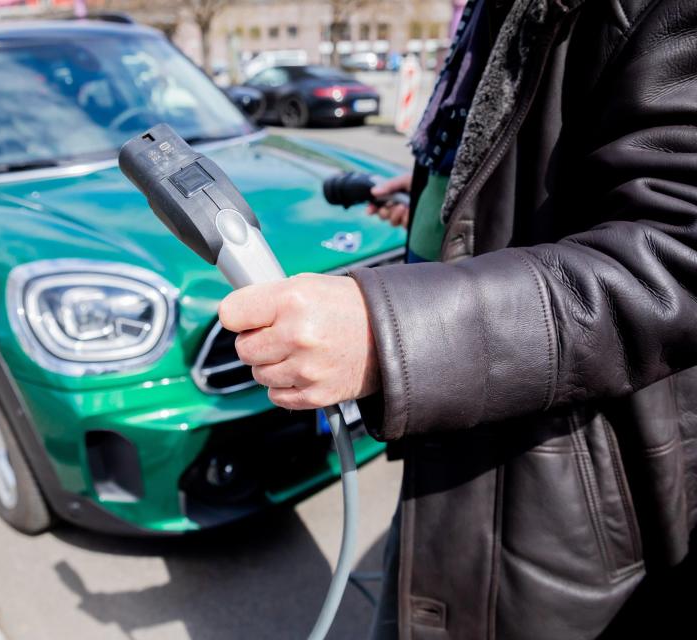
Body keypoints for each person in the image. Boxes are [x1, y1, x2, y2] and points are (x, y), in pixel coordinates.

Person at [217, 0, 697, 638]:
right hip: (452, 426)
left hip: (555, 481)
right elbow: (506, 158)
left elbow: (677, 253)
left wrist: (387, 333)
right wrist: (429, 191)